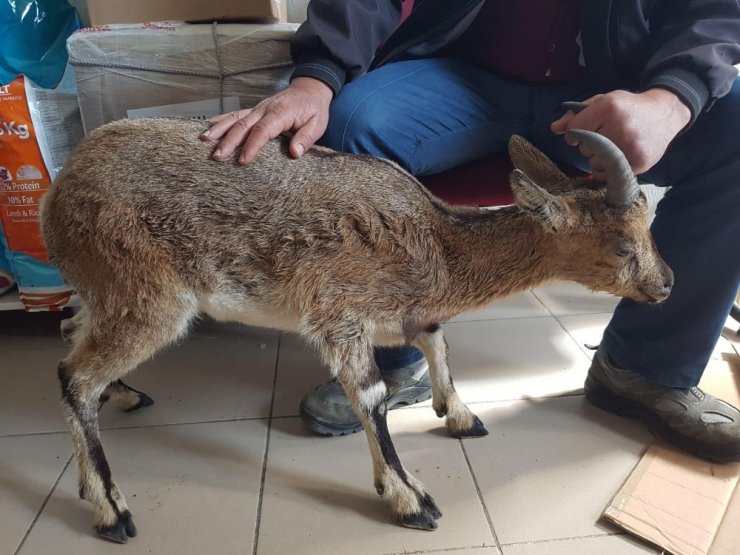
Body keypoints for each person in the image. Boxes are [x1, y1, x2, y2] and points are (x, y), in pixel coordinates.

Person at [201, 0, 740, 462]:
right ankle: (391, 356)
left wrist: (672, 98)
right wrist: (316, 79)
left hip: (609, 90)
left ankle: (644, 369)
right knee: (347, 131)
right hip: (461, 74)